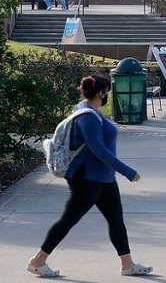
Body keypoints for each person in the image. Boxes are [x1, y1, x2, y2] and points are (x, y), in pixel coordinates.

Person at [27, 75, 153, 278]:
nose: (107, 96)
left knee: (116, 220)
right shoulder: (86, 116)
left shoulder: (90, 111)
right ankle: (38, 260)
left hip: (103, 177)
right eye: (107, 93)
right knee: (69, 220)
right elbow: (98, 150)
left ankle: (127, 264)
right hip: (87, 178)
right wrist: (128, 171)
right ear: (101, 93)